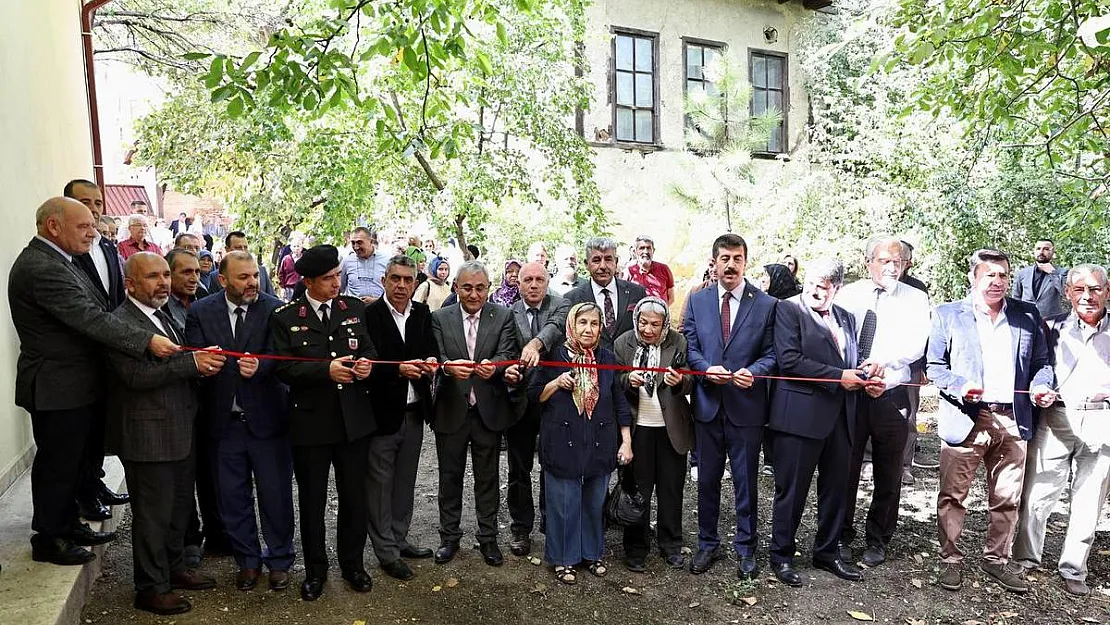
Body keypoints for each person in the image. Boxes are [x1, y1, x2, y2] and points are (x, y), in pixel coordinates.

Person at [8, 198, 176, 566]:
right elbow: (89, 317)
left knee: (77, 461)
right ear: (54, 226)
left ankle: (67, 523)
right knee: (58, 462)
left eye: (94, 224)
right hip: (57, 384)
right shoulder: (41, 267)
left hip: (75, 383)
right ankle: (49, 537)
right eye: (84, 225)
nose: (93, 232)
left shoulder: (64, 261)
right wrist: (145, 339)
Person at [927, 248, 1054, 594]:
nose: (997, 282)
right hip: (968, 416)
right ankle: (951, 559)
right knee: (953, 495)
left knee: (1008, 497)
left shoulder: (1027, 315)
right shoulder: (947, 315)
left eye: (1003, 276)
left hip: (1014, 419)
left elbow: (1042, 362)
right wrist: (960, 386)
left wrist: (1042, 385)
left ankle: (996, 559)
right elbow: (935, 366)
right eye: (990, 275)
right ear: (973, 277)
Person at [106, 252, 226, 615]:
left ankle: (173, 569)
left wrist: (200, 365)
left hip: (180, 428)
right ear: (130, 284)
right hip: (148, 435)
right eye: (151, 277)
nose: (162, 282)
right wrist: (191, 363)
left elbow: (178, 362)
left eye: (163, 275)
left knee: (177, 509)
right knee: (153, 515)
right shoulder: (120, 322)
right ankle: (150, 587)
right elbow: (135, 376)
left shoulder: (166, 313)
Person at [271, 244, 378, 601]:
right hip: (311, 422)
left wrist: (365, 365)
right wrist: (324, 371)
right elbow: (282, 367)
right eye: (329, 278)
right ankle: (316, 570)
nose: (337, 283)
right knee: (313, 501)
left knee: (354, 498)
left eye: (337, 276)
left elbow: (368, 350)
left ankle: (353, 565)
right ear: (308, 282)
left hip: (352, 421)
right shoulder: (286, 316)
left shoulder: (353, 308)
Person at [184, 251, 295, 593]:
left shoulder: (276, 308)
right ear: (222, 280)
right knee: (232, 498)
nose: (252, 283)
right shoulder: (202, 310)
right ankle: (247, 561)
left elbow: (285, 356)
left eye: (254, 276)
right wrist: (203, 364)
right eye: (243, 277)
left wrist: (262, 367)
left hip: (267, 421)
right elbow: (194, 353)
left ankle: (279, 560)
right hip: (223, 423)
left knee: (275, 496)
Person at [768, 258, 869, 587]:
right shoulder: (787, 310)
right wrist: (840, 377)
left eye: (823, 287)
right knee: (792, 490)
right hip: (799, 417)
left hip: (843, 418)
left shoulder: (847, 317)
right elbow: (789, 360)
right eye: (810, 283)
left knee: (836, 490)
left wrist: (868, 375)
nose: (814, 290)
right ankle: (781, 555)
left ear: (837, 289)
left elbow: (850, 361)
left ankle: (826, 552)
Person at [682, 233, 777, 579]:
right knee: (706, 480)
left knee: (745, 482)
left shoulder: (766, 304)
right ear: (714, 262)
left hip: (746, 408)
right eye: (724, 258)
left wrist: (753, 372)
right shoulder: (697, 301)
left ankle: (746, 546)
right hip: (707, 406)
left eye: (737, 258)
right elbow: (688, 346)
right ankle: (707, 543)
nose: (731, 264)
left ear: (745, 262)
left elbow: (772, 354)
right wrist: (705, 370)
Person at [1012, 264, 1110, 596]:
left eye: (1095, 289)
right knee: (1038, 493)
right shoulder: (1050, 326)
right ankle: (1025, 559)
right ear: (1067, 293)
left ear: (1107, 292)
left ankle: (1073, 567)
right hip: (1055, 419)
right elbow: (1035, 366)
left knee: (1089, 498)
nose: (1087, 296)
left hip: (1102, 422)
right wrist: (1040, 391)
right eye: (1079, 289)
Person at [835, 236, 930, 568]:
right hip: (850, 395)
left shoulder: (916, 299)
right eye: (884, 261)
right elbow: (833, 337)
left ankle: (878, 538)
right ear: (868, 262)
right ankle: (840, 536)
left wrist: (883, 368)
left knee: (889, 472)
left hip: (891, 392)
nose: (892, 267)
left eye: (898, 262)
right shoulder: (847, 295)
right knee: (844, 469)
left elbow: (917, 344)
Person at [531, 302, 633, 584]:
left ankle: (591, 553)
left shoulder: (607, 358)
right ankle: (564, 558)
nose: (588, 329)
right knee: (564, 502)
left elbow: (619, 403)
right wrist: (556, 383)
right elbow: (533, 396)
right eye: (583, 323)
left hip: (599, 440)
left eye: (594, 323)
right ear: (572, 325)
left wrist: (626, 442)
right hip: (563, 440)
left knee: (593, 501)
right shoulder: (553, 355)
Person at [429, 260, 523, 567]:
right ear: (456, 287)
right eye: (467, 287)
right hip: (451, 409)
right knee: (449, 477)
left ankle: (488, 539)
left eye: (480, 288)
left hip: (488, 410)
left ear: (488, 289)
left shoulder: (504, 316)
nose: (473, 294)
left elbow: (508, 353)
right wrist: (445, 367)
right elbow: (438, 355)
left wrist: (494, 366)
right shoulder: (440, 318)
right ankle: (449, 538)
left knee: (488, 478)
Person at [364, 256, 438, 580]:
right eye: (396, 279)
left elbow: (431, 349)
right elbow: (364, 365)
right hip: (381, 415)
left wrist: (432, 362)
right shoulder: (369, 315)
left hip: (415, 412)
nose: (402, 286)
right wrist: (397, 369)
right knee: (379, 485)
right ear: (384, 280)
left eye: (408, 280)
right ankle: (386, 552)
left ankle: (399, 537)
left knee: (405, 483)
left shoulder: (422, 314)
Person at [63, 179, 129, 520]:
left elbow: (115, 300)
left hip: (108, 354)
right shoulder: (66, 255)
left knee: (101, 427)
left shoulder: (106, 247)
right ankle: (83, 493)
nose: (94, 208)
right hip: (78, 360)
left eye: (98, 202)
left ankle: (97, 481)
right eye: (85, 202)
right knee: (80, 435)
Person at [614, 296, 694, 573]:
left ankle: (670, 544)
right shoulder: (623, 343)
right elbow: (613, 382)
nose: (648, 330)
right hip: (639, 428)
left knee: (671, 489)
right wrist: (628, 380)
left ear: (665, 325)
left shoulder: (678, 342)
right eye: (643, 323)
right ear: (636, 321)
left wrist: (680, 381)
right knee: (639, 490)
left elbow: (690, 378)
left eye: (655, 325)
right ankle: (636, 547)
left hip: (670, 427)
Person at [506, 261, 570, 556]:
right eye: (527, 280)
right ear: (517, 283)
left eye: (539, 279)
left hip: (554, 399)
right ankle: (521, 526)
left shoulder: (561, 304)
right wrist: (509, 371)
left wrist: (534, 344)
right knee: (519, 468)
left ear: (548, 281)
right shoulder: (509, 312)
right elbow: (506, 350)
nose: (533, 285)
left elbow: (555, 329)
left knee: (552, 464)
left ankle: (550, 521)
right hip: (520, 400)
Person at [564, 237, 647, 351]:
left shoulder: (637, 293)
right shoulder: (572, 299)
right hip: (591, 365)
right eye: (596, 260)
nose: (603, 266)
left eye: (608, 259)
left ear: (616, 262)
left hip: (629, 366)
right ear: (586, 264)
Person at [898, 240, 933, 484]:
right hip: (875, 365)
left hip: (911, 365)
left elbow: (926, 329)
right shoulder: (870, 288)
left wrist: (924, 365)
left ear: (909, 262)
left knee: (909, 416)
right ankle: (868, 461)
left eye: (901, 257)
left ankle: (904, 465)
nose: (895, 262)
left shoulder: (918, 289)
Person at [1012, 239, 1069, 319]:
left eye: (1046, 249)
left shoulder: (1062, 272)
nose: (1041, 252)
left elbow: (1066, 293)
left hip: (1051, 322)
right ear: (1034, 251)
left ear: (1053, 252)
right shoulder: (1022, 273)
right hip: (1026, 321)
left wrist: (1052, 272)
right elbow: (1016, 299)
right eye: (1038, 249)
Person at [340, 226, 388, 302]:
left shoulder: (386, 260)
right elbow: (340, 287)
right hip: (353, 310)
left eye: (359, 242)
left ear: (371, 242)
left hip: (378, 309)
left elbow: (391, 289)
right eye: (353, 243)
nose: (356, 247)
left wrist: (376, 301)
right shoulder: (347, 261)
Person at [627, 235, 676, 304]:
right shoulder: (629, 272)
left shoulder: (664, 269)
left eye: (649, 248)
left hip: (660, 313)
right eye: (641, 248)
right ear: (635, 251)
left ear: (653, 251)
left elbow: (671, 298)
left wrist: (662, 311)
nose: (645, 251)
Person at [225, 230, 276, 296]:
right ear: (227, 249)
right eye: (238, 248)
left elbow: (273, 299)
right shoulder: (216, 277)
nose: (243, 251)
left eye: (245, 247)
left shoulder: (261, 271)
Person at [163, 249, 202, 329]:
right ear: (168, 274)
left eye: (197, 272)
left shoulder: (204, 298)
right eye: (187, 272)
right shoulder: (159, 306)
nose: (195, 279)